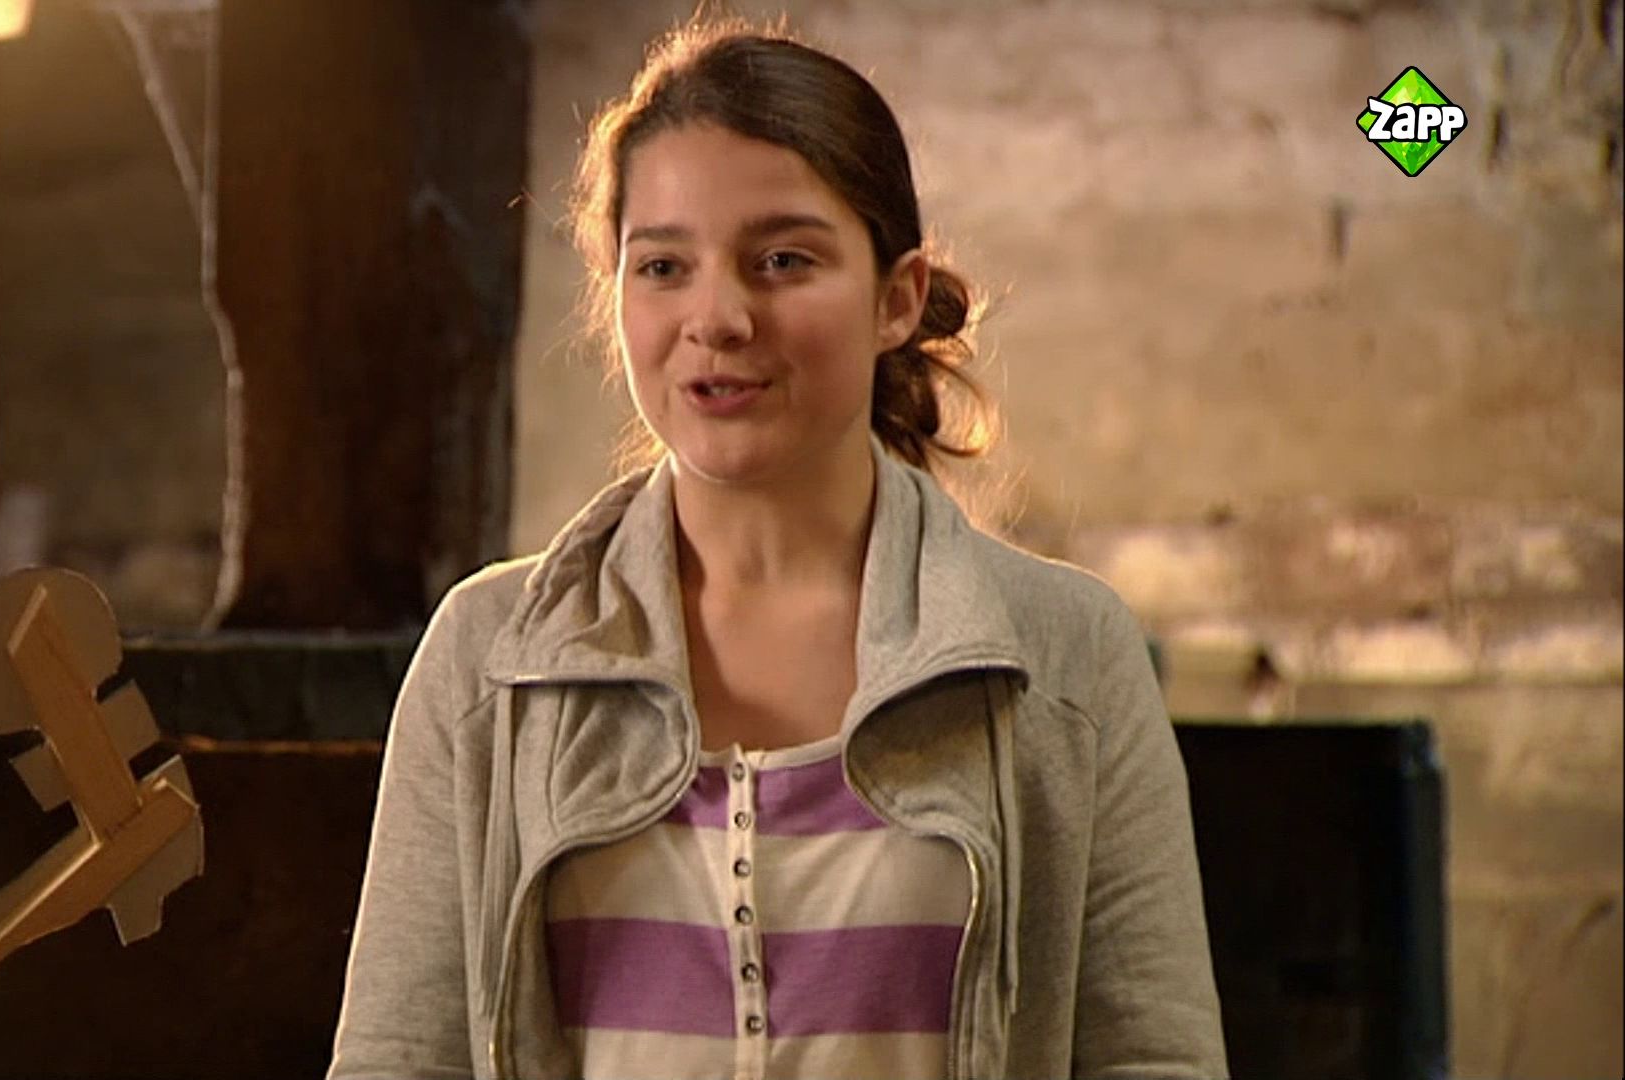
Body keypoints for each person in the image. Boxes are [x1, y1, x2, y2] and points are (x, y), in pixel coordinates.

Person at [328, 21, 1226, 1080]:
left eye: (783, 260)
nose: (718, 317)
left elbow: (1149, 1057)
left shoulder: (1064, 655)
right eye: (663, 266)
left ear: (896, 298)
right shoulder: (491, 661)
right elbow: (399, 1059)